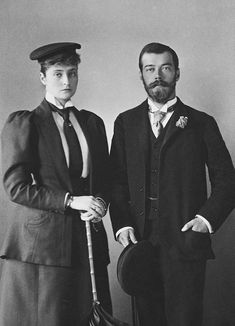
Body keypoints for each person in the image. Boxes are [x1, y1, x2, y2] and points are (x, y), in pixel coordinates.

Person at [110, 42, 235, 326]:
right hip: (141, 243)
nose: (158, 75)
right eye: (149, 69)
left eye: (165, 68)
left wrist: (205, 220)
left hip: (185, 241)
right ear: (141, 75)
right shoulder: (125, 123)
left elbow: (228, 181)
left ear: (177, 73)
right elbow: (116, 181)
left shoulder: (201, 123)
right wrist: (122, 224)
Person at [0, 42, 112, 326]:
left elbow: (104, 178)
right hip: (46, 246)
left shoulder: (92, 123)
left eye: (72, 73)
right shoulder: (26, 123)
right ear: (43, 78)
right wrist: (71, 201)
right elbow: (16, 187)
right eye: (58, 74)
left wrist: (100, 204)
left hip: (87, 238)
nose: (66, 81)